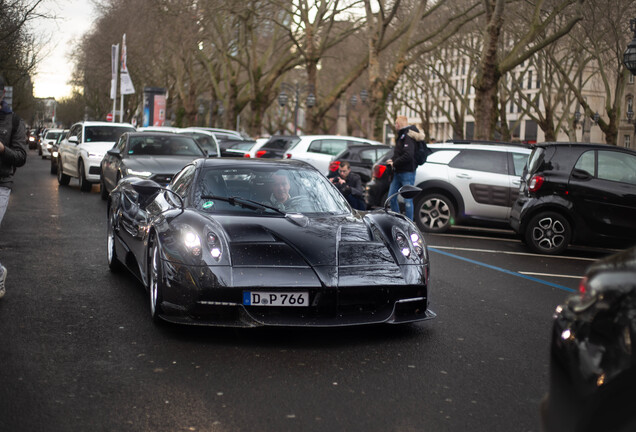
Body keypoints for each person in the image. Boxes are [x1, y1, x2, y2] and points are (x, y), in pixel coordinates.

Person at [0, 75, 27, 298]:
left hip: (1, 184)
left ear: (2, 95)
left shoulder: (14, 121)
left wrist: (2, 149)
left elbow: (20, 156)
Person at [386, 115, 422, 220]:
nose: (395, 125)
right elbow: (399, 153)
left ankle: (409, 222)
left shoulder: (407, 136)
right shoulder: (402, 135)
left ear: (400, 124)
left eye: (396, 123)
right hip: (398, 171)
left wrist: (394, 163)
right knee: (391, 198)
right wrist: (392, 160)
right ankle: (397, 219)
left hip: (407, 172)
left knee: (408, 200)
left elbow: (408, 155)